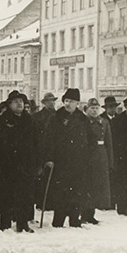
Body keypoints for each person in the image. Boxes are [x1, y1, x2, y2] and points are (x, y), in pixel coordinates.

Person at [0, 90, 39, 232]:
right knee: (6, 196)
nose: (19, 104)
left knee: (25, 196)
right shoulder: (1, 121)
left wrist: (37, 163)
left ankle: (22, 224)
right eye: (16, 102)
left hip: (25, 165)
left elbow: (37, 143)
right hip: (7, 166)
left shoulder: (30, 121)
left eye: (21, 102)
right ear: (9, 104)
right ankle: (5, 224)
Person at [43, 88, 88, 228]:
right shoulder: (56, 117)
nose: (68, 104)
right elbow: (48, 140)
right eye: (66, 101)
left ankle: (75, 220)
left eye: (71, 101)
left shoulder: (82, 118)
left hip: (78, 162)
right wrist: (49, 158)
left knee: (76, 192)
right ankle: (58, 221)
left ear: (77, 103)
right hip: (61, 162)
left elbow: (89, 140)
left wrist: (87, 159)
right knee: (60, 193)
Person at [81, 98, 114, 224]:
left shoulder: (104, 122)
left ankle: (91, 214)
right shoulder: (83, 122)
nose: (94, 111)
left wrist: (110, 161)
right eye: (91, 108)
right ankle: (84, 214)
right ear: (87, 109)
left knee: (97, 187)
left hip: (101, 157)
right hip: (88, 156)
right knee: (87, 186)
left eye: (96, 108)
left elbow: (109, 143)